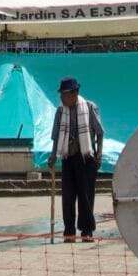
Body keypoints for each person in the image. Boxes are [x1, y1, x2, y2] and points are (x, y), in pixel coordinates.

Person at [49, 75, 104, 242]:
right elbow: (56, 136)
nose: (61, 98)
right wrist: (53, 155)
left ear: (74, 93)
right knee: (68, 196)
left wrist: (99, 153)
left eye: (64, 94)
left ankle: (87, 230)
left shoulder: (89, 107)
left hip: (86, 157)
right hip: (68, 157)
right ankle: (69, 231)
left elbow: (100, 132)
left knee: (86, 195)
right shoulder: (60, 112)